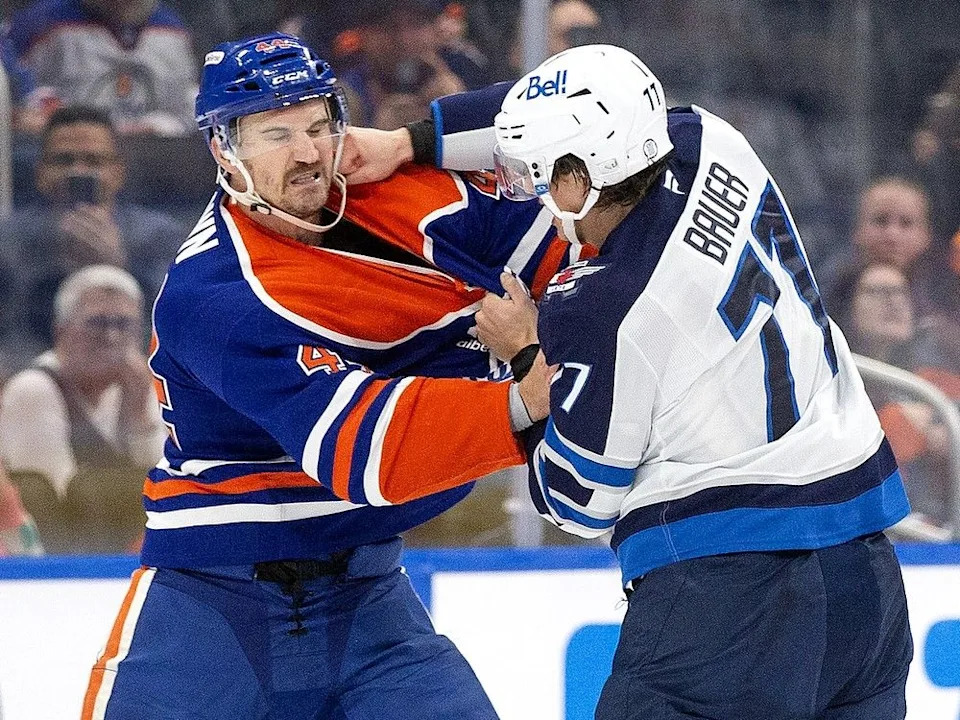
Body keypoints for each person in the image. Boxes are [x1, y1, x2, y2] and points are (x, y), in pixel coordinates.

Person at [81, 32, 576, 719]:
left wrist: (417, 140)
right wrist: (527, 393)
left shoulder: (406, 193)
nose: (309, 152)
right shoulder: (217, 295)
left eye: (319, 124)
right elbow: (366, 450)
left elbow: (592, 133)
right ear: (225, 150)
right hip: (214, 605)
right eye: (277, 133)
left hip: (368, 594)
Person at [469, 45, 912, 719]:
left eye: (536, 173)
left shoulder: (599, 305)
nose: (530, 190)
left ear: (576, 178)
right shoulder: (711, 139)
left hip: (728, 604)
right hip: (867, 585)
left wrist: (528, 354)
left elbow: (576, 500)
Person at [0, 105, 184, 364]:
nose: (79, 171)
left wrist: (116, 269)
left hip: (132, 371)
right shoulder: (8, 241)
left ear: (118, 173)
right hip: (30, 375)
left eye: (94, 161)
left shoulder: (159, 237)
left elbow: (172, 332)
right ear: (40, 173)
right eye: (64, 160)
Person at [0, 265, 164, 553]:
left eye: (123, 324)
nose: (111, 337)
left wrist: (139, 421)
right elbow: (55, 497)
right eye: (97, 323)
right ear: (61, 331)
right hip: (58, 554)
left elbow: (166, 486)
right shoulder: (34, 389)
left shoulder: (140, 388)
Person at [7, 0, 198, 135]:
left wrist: (161, 128)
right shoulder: (42, 22)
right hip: (70, 154)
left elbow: (190, 106)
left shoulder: (175, 29)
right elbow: (17, 94)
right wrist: (42, 112)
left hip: (154, 165)